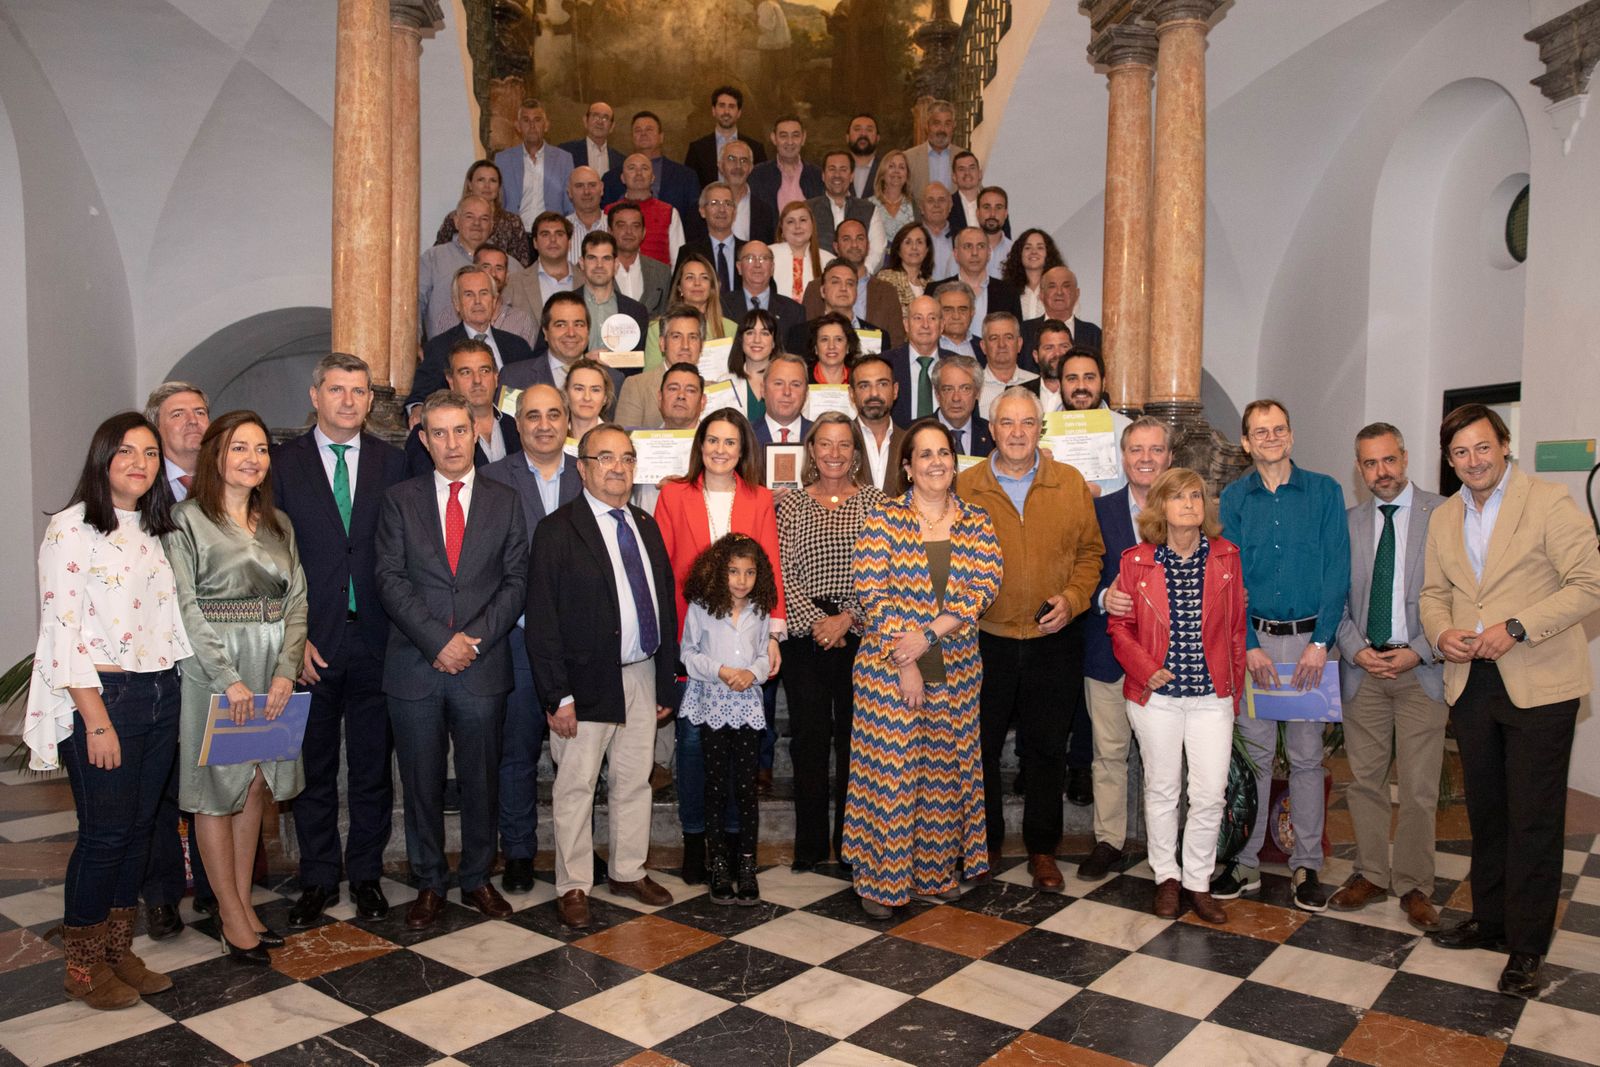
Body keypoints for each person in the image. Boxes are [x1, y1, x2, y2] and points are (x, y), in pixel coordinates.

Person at [1420, 404, 1600, 997]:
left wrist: (1519, 626)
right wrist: (1441, 631)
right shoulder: (1445, 516)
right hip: (1471, 681)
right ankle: (1489, 919)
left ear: (1504, 444)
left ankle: (1526, 945)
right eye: (1459, 453)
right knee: (1488, 812)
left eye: (1481, 448)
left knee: (1534, 818)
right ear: (1449, 461)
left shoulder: (1547, 502)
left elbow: (1590, 583)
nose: (1472, 461)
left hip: (1538, 682)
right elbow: (1433, 592)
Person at [27, 412, 191, 1008]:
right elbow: (62, 633)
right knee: (104, 836)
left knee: (141, 831)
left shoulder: (151, 529)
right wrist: (94, 718)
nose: (139, 463)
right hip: (106, 697)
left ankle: (118, 951)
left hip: (158, 692)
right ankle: (82, 966)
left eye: (149, 454)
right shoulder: (72, 529)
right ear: (102, 458)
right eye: (126, 451)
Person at [376, 390, 529, 930]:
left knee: (481, 779)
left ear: (476, 433)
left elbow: (515, 582)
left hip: (482, 667)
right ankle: (428, 882)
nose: (450, 442)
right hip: (415, 667)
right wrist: (436, 642)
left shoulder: (505, 500)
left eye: (460, 430)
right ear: (423, 439)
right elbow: (389, 579)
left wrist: (472, 640)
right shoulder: (400, 500)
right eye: (437, 433)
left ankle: (477, 879)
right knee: (419, 782)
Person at [166, 411, 308, 963]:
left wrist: (284, 672)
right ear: (215, 456)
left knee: (254, 787)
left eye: (261, 448)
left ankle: (244, 903)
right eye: (238, 447)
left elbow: (297, 600)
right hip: (214, 671)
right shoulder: (185, 520)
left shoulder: (278, 522)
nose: (253, 458)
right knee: (214, 793)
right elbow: (185, 605)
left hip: (272, 670)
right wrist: (227, 679)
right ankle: (228, 913)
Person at [844, 419, 1001, 916]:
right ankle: (878, 882)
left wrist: (927, 637)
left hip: (955, 668)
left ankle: (932, 874)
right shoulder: (884, 519)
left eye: (944, 453)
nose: (936, 462)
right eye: (925, 455)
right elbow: (871, 591)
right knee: (889, 779)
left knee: (941, 777)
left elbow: (982, 588)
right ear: (907, 467)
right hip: (887, 671)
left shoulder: (976, 521)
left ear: (955, 462)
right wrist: (903, 657)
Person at [526, 423, 680, 929]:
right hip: (582, 681)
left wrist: (663, 682)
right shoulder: (557, 529)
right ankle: (573, 883)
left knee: (634, 781)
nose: (618, 468)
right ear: (583, 467)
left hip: (639, 674)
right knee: (575, 785)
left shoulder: (644, 522)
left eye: (627, 458)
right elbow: (543, 621)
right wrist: (557, 695)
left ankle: (628, 869)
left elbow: (663, 607)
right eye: (606, 458)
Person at [272, 354, 407, 929]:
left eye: (358, 391)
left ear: (370, 401)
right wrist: (290, 641)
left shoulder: (396, 463)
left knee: (374, 768)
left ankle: (368, 874)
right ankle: (320, 877)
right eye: (336, 389)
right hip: (311, 645)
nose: (348, 401)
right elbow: (270, 561)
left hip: (379, 640)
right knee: (315, 768)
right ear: (315, 395)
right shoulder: (280, 464)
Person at [958, 388, 1104, 891]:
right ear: (991, 429)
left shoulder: (1069, 483)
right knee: (980, 749)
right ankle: (986, 843)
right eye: (1006, 423)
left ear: (1040, 429)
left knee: (1046, 749)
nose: (1017, 432)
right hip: (983, 640)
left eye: (1026, 423)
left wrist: (1073, 598)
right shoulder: (966, 485)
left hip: (1052, 639)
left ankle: (1044, 850)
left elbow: (1091, 555)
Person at [1214, 399, 1350, 912]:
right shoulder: (1234, 498)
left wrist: (1322, 642)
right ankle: (1246, 862)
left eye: (1279, 429)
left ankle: (1307, 865)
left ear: (1291, 436)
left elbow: (1338, 570)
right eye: (1259, 431)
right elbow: (1226, 579)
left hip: (1310, 644)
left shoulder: (1324, 492)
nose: (1270, 438)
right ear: (1246, 442)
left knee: (1308, 757)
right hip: (1256, 645)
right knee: (1256, 755)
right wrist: (1247, 646)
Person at [1107, 468, 1246, 923]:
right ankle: (1166, 877)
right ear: (1160, 507)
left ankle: (1198, 881)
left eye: (1196, 496)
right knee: (1163, 789)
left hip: (1211, 698)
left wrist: (1233, 693)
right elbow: (1120, 628)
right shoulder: (1137, 562)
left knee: (1209, 794)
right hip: (1156, 697)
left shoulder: (1227, 557)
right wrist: (1147, 671)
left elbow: (1237, 632)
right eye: (1178, 497)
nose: (1189, 504)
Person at [655, 410, 785, 881]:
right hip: (695, 639)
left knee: (741, 755)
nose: (720, 450)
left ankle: (733, 844)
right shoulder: (673, 495)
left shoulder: (761, 498)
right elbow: (662, 569)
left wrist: (773, 633)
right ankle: (696, 842)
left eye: (730, 442)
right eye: (712, 440)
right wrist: (668, 645)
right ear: (700, 445)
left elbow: (769, 567)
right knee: (692, 748)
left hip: (747, 637)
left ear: (742, 450)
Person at [1327, 423, 1447, 932]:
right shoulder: (1347, 523)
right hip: (1365, 671)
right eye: (1370, 464)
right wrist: (1356, 650)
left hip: (1422, 669)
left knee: (1420, 788)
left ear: (1404, 456)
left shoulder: (1444, 514)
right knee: (1366, 783)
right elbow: (1333, 597)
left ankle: (1415, 885)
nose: (1382, 472)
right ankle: (1372, 873)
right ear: (1360, 469)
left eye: (1389, 460)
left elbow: (1461, 595)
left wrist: (1418, 652)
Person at [481, 384, 584, 895]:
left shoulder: (589, 471)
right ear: (516, 425)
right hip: (517, 638)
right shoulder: (492, 479)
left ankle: (581, 856)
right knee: (517, 752)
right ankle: (519, 850)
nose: (543, 424)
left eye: (553, 414)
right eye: (532, 416)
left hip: (579, 641)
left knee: (587, 756)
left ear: (568, 420)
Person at [778, 414, 883, 870]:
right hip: (805, 640)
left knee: (855, 742)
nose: (834, 453)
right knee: (808, 740)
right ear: (812, 451)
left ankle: (851, 846)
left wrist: (848, 619)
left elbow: (888, 572)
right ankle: (810, 845)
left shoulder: (879, 505)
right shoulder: (791, 505)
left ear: (856, 452)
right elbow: (781, 572)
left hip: (862, 636)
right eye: (825, 444)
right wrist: (818, 623)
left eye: (844, 445)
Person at [1080, 417, 1172, 879]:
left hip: (1168, 661)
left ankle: (1164, 845)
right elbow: (1081, 569)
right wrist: (1101, 597)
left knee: (1164, 758)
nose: (1146, 459)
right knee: (1109, 753)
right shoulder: (1099, 511)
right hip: (1108, 653)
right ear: (1123, 457)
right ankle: (1108, 840)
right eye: (1137, 450)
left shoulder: (1184, 509)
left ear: (1169, 457)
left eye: (1155, 450)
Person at [140, 382, 214, 939]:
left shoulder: (229, 486)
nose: (192, 421)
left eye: (200, 412)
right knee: (163, 784)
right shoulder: (139, 492)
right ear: (156, 427)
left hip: (216, 659)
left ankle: (218, 892)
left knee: (215, 772)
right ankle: (162, 894)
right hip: (159, 660)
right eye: (178, 414)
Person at [680, 534, 778, 904]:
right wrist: (720, 670)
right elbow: (688, 652)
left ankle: (747, 866)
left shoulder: (760, 609)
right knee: (716, 787)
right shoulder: (702, 607)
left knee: (746, 791)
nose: (741, 580)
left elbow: (766, 655)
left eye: (749, 572)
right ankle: (718, 864)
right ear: (719, 572)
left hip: (747, 705)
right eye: (734, 571)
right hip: (713, 702)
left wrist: (753, 673)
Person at [406, 263, 536, 414]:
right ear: (457, 304)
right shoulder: (439, 348)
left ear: (494, 301)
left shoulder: (518, 346)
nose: (478, 301)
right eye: (469, 294)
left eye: (484, 293)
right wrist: (417, 409)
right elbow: (420, 397)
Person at [405, 339, 520, 475]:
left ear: (496, 378)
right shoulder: (431, 433)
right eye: (466, 372)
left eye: (484, 370)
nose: (477, 380)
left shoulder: (514, 426)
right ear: (451, 381)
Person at [798, 222, 905, 348]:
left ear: (868, 245)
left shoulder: (887, 291)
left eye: (860, 238)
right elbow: (806, 334)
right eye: (846, 239)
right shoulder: (815, 287)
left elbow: (896, 341)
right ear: (836, 247)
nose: (854, 245)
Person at [601, 111, 701, 241]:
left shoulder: (686, 176)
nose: (643, 133)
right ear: (632, 138)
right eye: (638, 130)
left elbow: (694, 221)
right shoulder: (611, 178)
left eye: (649, 129)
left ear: (661, 137)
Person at [419, 194, 496, 341]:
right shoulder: (433, 259)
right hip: (443, 354)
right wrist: (413, 342)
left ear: (492, 225)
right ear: (456, 221)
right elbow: (415, 304)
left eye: (484, 219)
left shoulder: (509, 265)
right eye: (469, 217)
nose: (477, 224)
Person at [1056, 348, 1132, 496]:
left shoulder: (1127, 430)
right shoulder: (1040, 432)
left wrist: (1101, 494)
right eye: (1072, 378)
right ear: (1060, 384)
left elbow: (1141, 492)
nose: (1081, 386)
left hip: (1111, 517)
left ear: (1103, 383)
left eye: (1089, 378)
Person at [643, 252, 735, 373]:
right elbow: (651, 378)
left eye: (704, 278)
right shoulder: (657, 328)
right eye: (690, 277)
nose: (697, 283)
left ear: (712, 288)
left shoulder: (732, 329)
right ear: (679, 287)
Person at [614, 310, 707, 430]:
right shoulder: (636, 385)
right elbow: (623, 441)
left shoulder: (717, 389)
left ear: (701, 345)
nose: (685, 346)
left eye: (693, 337)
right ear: (662, 344)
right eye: (676, 337)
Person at [494, 98, 574, 228]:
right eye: (526, 120)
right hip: (514, 235)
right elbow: (497, 204)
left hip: (551, 235)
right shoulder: (503, 160)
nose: (532, 126)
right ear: (518, 126)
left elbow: (570, 204)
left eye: (537, 120)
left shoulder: (564, 159)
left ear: (546, 125)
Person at [435, 159, 530, 265]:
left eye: (493, 181)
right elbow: (438, 258)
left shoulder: (512, 222)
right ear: (470, 184)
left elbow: (521, 265)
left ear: (499, 187)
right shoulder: (454, 218)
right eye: (481, 180)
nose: (487, 186)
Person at [573, 230, 649, 353]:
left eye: (606, 258)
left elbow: (637, 362)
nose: (599, 265)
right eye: (592, 258)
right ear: (582, 263)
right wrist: (582, 361)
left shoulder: (636, 312)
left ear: (616, 264)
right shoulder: (561, 307)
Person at [932, 227, 1024, 327]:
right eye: (968, 246)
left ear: (989, 253)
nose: (975, 253)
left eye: (981, 246)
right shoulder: (935, 290)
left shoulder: (1009, 292)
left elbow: (1015, 334)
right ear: (956, 254)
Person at [606, 152, 686, 267]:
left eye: (644, 168)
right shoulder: (609, 212)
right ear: (623, 178)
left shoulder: (669, 213)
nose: (638, 173)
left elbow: (678, 260)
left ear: (653, 177)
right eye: (632, 168)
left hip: (660, 282)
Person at [722, 241, 806, 342]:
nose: (757, 264)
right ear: (739, 267)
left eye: (764, 259)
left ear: (772, 268)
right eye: (750, 258)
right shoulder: (721, 306)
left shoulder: (794, 311)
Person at [884, 294, 948, 427]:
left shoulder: (957, 365)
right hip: (897, 443)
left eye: (932, 318)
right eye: (918, 318)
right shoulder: (884, 364)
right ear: (906, 325)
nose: (925, 325)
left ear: (942, 325)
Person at [684, 85, 766, 188]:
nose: (726, 112)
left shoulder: (756, 149)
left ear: (739, 113)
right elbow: (689, 187)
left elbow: (762, 186)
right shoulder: (697, 149)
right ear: (714, 110)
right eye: (722, 106)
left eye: (731, 106)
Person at [749, 116, 824, 221]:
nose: (790, 142)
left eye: (795, 135)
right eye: (783, 136)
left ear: (803, 138)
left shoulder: (818, 176)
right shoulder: (757, 175)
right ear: (774, 138)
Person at [850, 355, 907, 494]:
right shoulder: (839, 441)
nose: (874, 393)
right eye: (864, 386)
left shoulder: (910, 443)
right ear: (851, 394)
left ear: (895, 390)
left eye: (882, 384)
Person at [1022, 266, 1101, 360]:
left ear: (1077, 293)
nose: (1059, 292)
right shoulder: (1024, 332)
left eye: (1066, 286)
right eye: (1052, 286)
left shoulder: (1094, 334)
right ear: (1041, 295)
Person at [679, 182, 745, 293]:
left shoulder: (748, 251)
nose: (722, 209)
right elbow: (677, 294)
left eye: (728, 204)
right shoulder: (689, 252)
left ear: (734, 212)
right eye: (714, 203)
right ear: (702, 211)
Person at [610, 202, 672, 316]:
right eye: (621, 225)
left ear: (643, 232)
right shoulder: (597, 270)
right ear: (610, 231)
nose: (629, 231)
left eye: (635, 226)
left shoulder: (662, 272)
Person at [808, 149, 874, 255]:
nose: (837, 175)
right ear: (823, 176)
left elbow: (877, 249)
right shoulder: (807, 209)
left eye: (843, 169)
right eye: (832, 169)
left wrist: (861, 270)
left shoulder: (869, 209)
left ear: (852, 176)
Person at [471, 245, 538, 349]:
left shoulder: (522, 321)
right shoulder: (451, 317)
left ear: (507, 276)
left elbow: (527, 363)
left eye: (499, 268)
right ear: (473, 271)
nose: (493, 273)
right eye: (486, 267)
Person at [770, 201, 834, 303]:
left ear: (812, 225)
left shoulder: (829, 261)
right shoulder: (767, 255)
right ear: (781, 228)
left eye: (803, 220)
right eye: (790, 221)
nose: (797, 226)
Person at [725, 307, 779, 425]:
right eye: (750, 333)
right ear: (741, 339)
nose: (757, 340)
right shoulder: (725, 383)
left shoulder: (788, 382)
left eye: (765, 333)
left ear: (774, 342)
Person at [866, 150, 918, 272]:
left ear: (907, 175)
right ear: (883, 173)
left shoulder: (915, 207)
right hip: (875, 272)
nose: (896, 171)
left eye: (901, 167)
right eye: (891, 166)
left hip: (906, 272)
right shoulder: (867, 205)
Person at [978, 312, 1038, 413]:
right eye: (994, 338)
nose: (1001, 344)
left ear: (1019, 344)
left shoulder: (1037, 383)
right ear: (983, 346)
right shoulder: (973, 387)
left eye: (1008, 337)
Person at [717, 139, 775, 245]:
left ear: (751, 168)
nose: (738, 166)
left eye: (744, 160)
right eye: (731, 159)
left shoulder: (764, 211)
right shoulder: (703, 206)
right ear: (720, 165)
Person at [1001, 228, 1065, 321]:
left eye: (1040, 247)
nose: (1033, 252)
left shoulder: (1061, 291)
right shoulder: (1006, 292)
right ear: (1020, 254)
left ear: (1048, 254)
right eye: (1027, 248)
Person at [935, 355, 993, 457]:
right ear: (937, 394)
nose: (956, 398)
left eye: (965, 388)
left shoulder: (992, 434)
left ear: (977, 393)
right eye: (948, 389)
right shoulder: (915, 432)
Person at [903, 99, 963, 198]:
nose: (942, 129)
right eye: (936, 123)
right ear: (927, 126)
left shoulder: (964, 158)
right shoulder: (908, 158)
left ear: (954, 126)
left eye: (947, 124)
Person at [875, 223, 934, 323]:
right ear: (898, 250)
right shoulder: (886, 278)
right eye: (908, 242)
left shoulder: (931, 283)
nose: (914, 247)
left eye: (919, 242)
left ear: (927, 250)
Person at [752, 352, 811, 448]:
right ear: (763, 390)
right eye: (778, 383)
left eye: (795, 385)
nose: (787, 392)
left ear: (806, 393)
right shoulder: (745, 436)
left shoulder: (819, 436)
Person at [558, 100, 623, 177]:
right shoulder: (566, 152)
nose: (600, 122)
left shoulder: (620, 160)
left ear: (612, 127)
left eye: (605, 118)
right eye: (595, 116)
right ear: (585, 121)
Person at [564, 166, 609, 262]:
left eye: (592, 185)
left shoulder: (616, 228)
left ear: (601, 189)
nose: (586, 192)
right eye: (579, 186)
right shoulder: (559, 231)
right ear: (569, 192)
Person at [565, 356, 617, 438]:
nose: (587, 398)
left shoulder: (617, 440)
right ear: (566, 393)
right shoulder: (552, 438)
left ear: (605, 398)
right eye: (579, 389)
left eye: (595, 390)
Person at [806, 310, 859, 385]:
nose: (831, 346)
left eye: (838, 339)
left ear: (848, 346)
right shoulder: (802, 378)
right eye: (824, 339)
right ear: (815, 347)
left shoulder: (858, 379)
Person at [935, 281, 982, 359]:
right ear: (936, 312)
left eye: (963, 309)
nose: (956, 316)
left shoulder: (984, 347)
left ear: (972, 312)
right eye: (948, 310)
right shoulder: (926, 345)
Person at [920, 182, 958, 279]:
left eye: (941, 200)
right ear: (921, 207)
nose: (936, 205)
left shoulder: (961, 236)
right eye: (930, 200)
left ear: (950, 205)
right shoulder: (911, 237)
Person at [976, 186, 1014, 271]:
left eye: (998, 207)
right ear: (977, 213)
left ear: (1006, 213)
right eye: (986, 207)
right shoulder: (963, 253)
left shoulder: (1015, 252)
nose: (992, 214)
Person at [847, 112, 882, 198]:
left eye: (869, 130)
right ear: (847, 137)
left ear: (878, 138)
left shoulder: (886, 170)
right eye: (857, 129)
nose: (863, 134)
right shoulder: (835, 170)